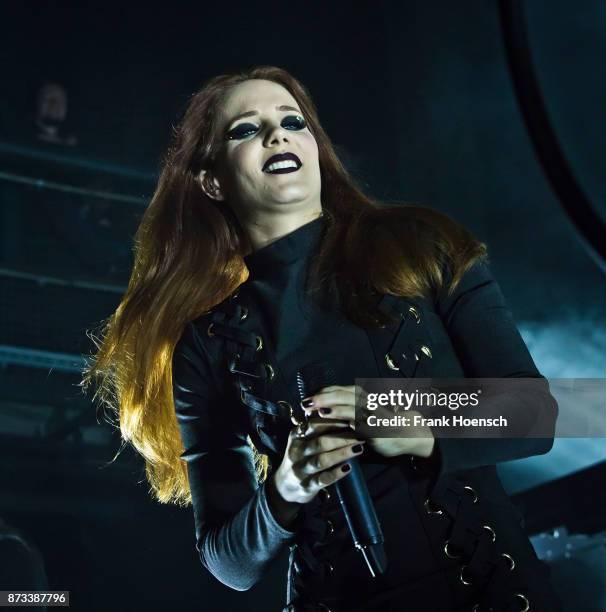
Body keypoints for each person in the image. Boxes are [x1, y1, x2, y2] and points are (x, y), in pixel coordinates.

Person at [81, 65, 562, 611]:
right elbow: (227, 563)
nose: (277, 134)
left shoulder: (422, 244)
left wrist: (398, 414)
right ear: (211, 180)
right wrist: (285, 487)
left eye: (293, 121)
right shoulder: (207, 343)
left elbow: (538, 413)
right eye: (245, 129)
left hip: (492, 591)